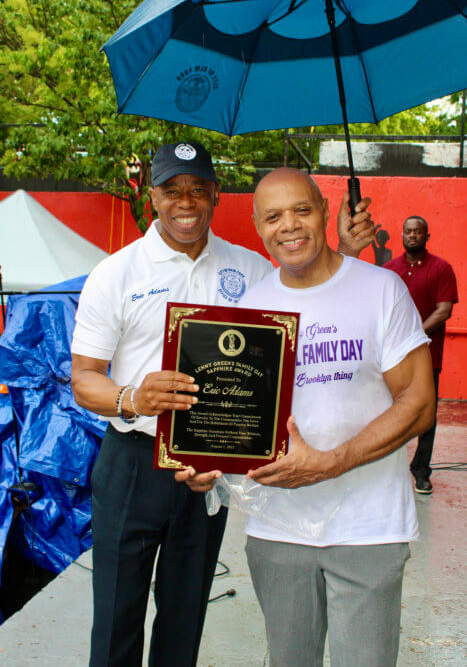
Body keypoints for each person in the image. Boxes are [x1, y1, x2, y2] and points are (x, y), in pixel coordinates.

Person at [70, 143, 374, 667]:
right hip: (133, 465)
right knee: (117, 615)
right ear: (153, 196)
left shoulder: (251, 268)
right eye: (171, 190)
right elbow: (83, 381)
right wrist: (132, 397)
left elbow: (311, 286)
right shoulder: (116, 273)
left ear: (215, 194)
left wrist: (342, 248)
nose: (184, 201)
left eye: (197, 188)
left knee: (185, 617)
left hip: (211, 470)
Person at [177, 168, 435, 667]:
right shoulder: (250, 310)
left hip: (368, 527)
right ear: (258, 227)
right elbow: (235, 420)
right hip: (277, 530)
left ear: (324, 210)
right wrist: (207, 466)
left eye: (301, 210)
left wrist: (331, 462)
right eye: (273, 217)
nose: (289, 226)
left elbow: (419, 403)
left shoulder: (380, 290)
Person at [384, 216, 458, 494]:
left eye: (418, 232)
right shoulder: (389, 269)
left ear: (427, 236)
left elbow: (444, 310)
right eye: (408, 231)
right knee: (389, 411)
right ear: (402, 235)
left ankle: (421, 471)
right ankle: (387, 469)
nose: (412, 235)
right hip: (392, 356)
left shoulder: (441, 268)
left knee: (426, 413)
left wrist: (414, 337)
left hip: (427, 356)